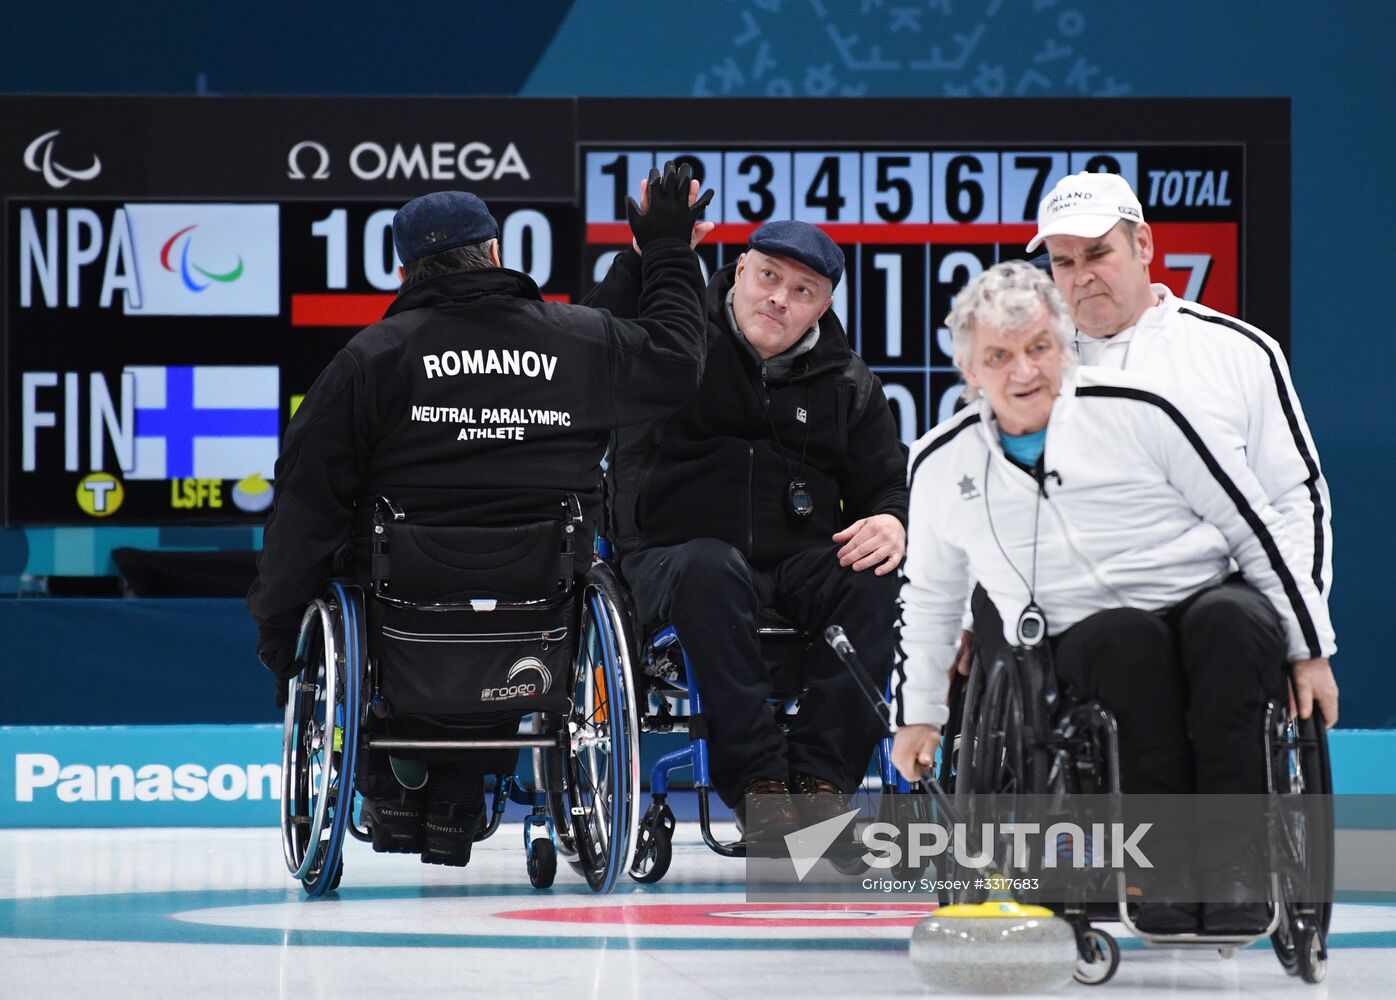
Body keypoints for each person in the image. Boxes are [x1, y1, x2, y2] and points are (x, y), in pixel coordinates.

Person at [248, 165, 712, 866]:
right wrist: (667, 253)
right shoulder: (572, 342)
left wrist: (281, 637)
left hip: (403, 617)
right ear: (496, 252)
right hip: (541, 607)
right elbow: (669, 357)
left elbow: (305, 508)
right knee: (531, 586)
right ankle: (456, 791)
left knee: (364, 563)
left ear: (403, 270)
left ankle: (403, 786)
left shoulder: (371, 360)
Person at [890, 260, 1337, 933]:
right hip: (1082, 629)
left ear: (1064, 349)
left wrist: (1310, 652)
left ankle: (1237, 869)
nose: (1023, 373)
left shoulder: (1144, 413)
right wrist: (919, 715)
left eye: (1040, 348)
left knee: (1233, 626)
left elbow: (1254, 526)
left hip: (1200, 591)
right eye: (999, 356)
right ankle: (1162, 871)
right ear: (970, 368)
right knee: (1127, 644)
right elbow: (930, 597)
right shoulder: (941, 461)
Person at [585, 219, 909, 839]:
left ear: (827, 304)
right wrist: (649, 252)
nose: (779, 299)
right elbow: (592, 342)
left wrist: (894, 521)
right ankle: (759, 783)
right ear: (737, 272)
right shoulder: (669, 342)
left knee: (875, 578)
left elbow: (886, 487)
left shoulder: (848, 381)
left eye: (802, 290)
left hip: (796, 563)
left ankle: (819, 783)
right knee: (710, 566)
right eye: (768, 277)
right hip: (669, 559)